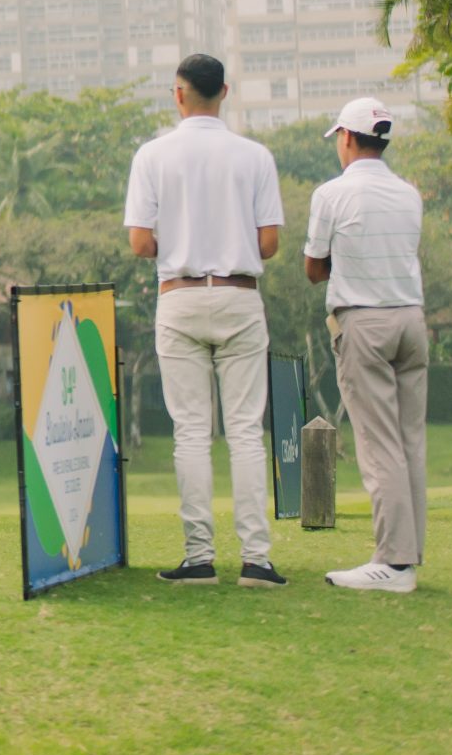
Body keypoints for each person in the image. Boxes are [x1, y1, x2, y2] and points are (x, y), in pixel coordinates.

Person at [124, 53, 289, 588]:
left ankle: (199, 557)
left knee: (191, 433)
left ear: (179, 94)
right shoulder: (255, 156)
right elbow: (269, 242)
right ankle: (256, 560)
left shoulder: (152, 155)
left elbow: (140, 242)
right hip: (240, 295)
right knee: (245, 432)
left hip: (181, 296)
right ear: (225, 92)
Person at [306, 97, 428, 594]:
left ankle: (394, 564)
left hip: (366, 324)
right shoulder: (409, 194)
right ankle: (408, 555)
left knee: (379, 447)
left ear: (350, 138)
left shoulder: (331, 194)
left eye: (340, 137)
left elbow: (314, 270)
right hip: (411, 322)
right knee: (409, 442)